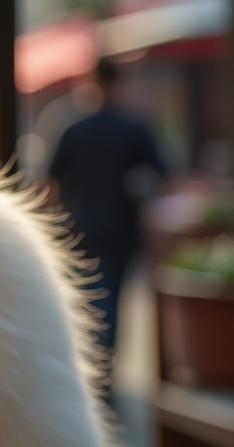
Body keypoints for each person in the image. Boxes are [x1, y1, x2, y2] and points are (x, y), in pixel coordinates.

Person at [47, 57, 167, 366]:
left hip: (80, 228)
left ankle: (90, 364)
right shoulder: (135, 127)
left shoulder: (73, 129)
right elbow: (163, 177)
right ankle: (106, 367)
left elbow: (51, 186)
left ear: (93, 82)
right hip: (121, 228)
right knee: (114, 298)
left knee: (86, 300)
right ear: (118, 83)